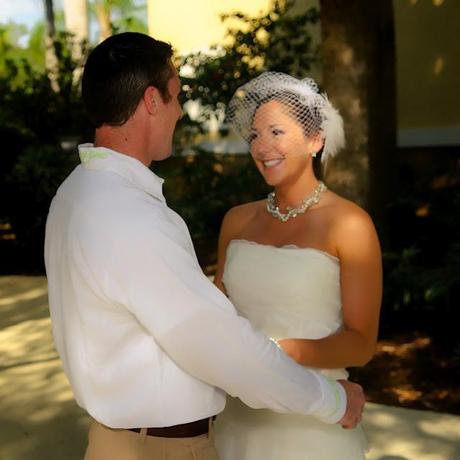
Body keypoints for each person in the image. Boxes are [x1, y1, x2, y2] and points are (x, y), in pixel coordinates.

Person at [44, 34, 365, 460]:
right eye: (175, 96)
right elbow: (217, 343)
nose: (179, 111)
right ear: (150, 100)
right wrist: (332, 401)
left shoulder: (75, 193)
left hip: (127, 438)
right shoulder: (128, 215)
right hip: (159, 449)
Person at [213, 72, 382, 459]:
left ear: (315, 140)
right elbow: (217, 314)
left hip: (314, 425)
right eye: (254, 135)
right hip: (239, 423)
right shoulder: (236, 221)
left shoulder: (351, 224)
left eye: (276, 132)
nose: (262, 146)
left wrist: (269, 354)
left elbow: (360, 344)